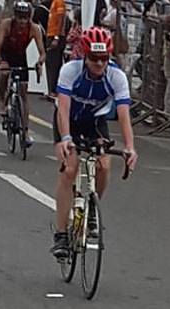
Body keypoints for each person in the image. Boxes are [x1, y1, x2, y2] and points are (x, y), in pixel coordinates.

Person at [51, 27, 139, 260]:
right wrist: (66, 139)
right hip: (67, 119)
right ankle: (60, 235)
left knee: (104, 165)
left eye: (104, 59)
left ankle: (92, 206)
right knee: (69, 170)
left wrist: (130, 147)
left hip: (95, 121)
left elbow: (123, 113)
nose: (99, 64)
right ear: (84, 55)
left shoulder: (116, 76)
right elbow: (63, 107)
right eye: (93, 58)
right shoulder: (70, 71)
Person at [0, 0, 45, 148]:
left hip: (20, 57)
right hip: (6, 54)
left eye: (25, 17)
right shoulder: (7, 24)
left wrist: (39, 63)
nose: (22, 21)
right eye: (19, 17)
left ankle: (26, 132)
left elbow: (42, 51)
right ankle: (2, 99)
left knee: (23, 93)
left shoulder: (34, 28)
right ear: (14, 16)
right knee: (4, 73)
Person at [44, 0, 68, 100]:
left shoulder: (59, 2)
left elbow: (60, 20)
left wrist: (56, 37)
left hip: (55, 36)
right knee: (50, 63)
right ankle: (50, 89)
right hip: (51, 34)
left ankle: (53, 89)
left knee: (54, 64)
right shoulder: (54, 1)